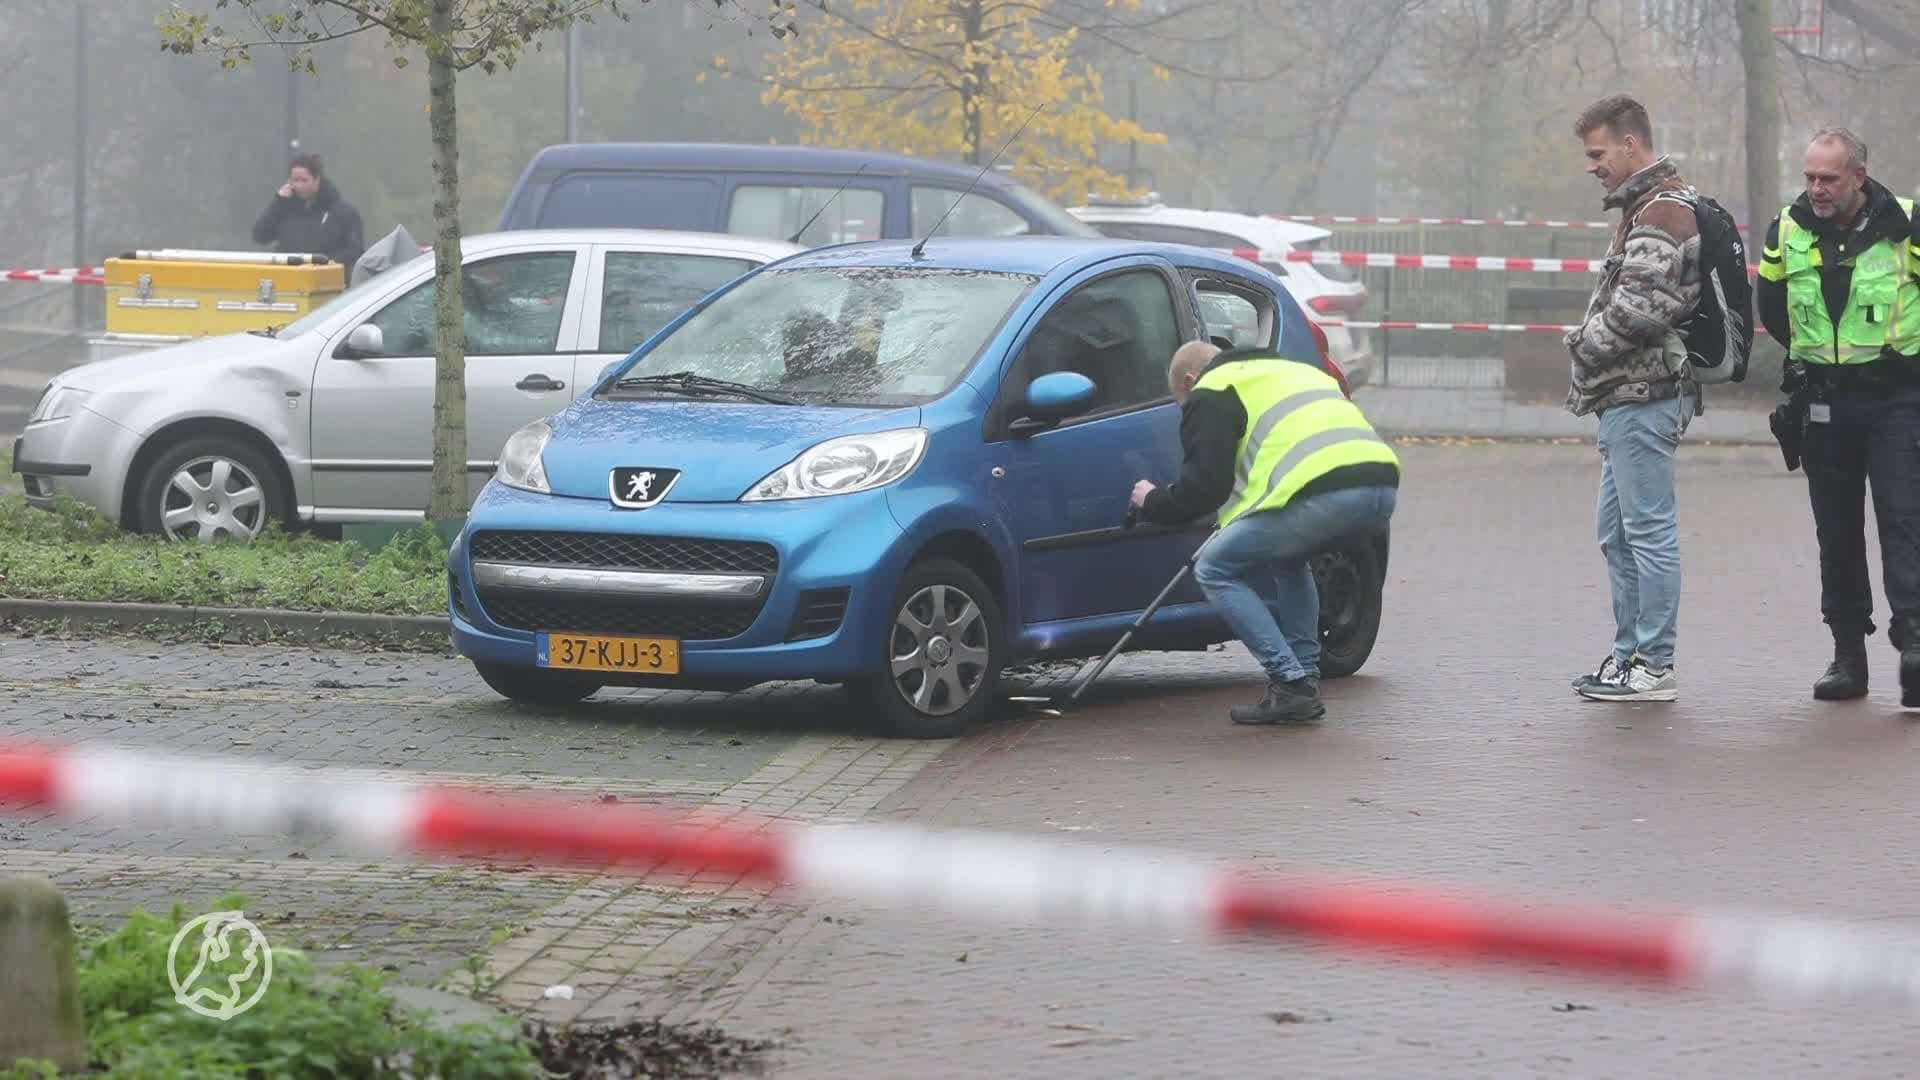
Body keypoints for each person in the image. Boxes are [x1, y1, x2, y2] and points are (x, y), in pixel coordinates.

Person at [1129, 340, 1400, 725]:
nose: (1185, 412)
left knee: (1214, 569)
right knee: (1289, 560)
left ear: (1189, 382)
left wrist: (1153, 501)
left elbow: (1204, 490)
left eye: (1181, 404)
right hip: (1382, 488)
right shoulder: (1295, 371)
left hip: (1326, 494)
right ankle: (1304, 675)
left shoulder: (1213, 388)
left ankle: (1289, 681)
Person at [1755, 127, 1920, 708]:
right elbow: (1772, 307)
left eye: (1828, 178)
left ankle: (1916, 648)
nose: (1816, 188)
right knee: (1838, 535)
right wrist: (1818, 358)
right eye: (1809, 177)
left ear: (1859, 176)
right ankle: (1848, 655)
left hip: (1897, 398)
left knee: (1905, 520)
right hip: (1825, 401)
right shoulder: (1788, 229)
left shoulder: (1908, 224)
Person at [1563, 94, 1702, 703]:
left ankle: (1653, 665)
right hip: (1629, 396)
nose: (1592, 166)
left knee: (1647, 533)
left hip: (1644, 394)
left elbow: (1641, 307)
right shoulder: (1648, 207)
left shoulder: (1660, 214)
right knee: (1618, 536)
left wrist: (1581, 344)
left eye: (1598, 153)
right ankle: (1627, 657)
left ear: (1630, 144)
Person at [252, 152, 366, 270]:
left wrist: (325, 265)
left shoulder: (343, 212)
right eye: (295, 180)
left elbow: (355, 250)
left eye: (304, 180)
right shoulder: (283, 207)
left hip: (328, 282)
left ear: (317, 179)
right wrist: (277, 202)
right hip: (286, 280)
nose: (299, 186)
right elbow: (260, 236)